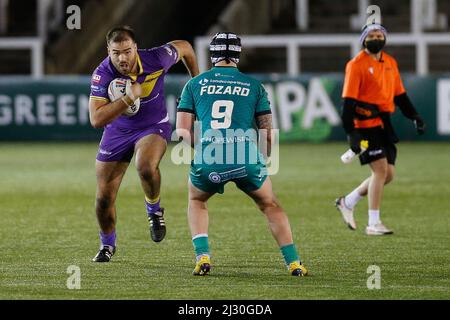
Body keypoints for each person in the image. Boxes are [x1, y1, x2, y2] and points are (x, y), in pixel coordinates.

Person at [176, 32, 308, 276]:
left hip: (209, 159)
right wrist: (263, 158)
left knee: (197, 200)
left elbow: (182, 131)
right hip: (246, 157)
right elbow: (268, 134)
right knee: (270, 205)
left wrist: (207, 148)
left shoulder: (193, 85)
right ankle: (294, 263)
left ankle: (202, 256)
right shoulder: (254, 86)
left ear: (212, 54)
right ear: (238, 54)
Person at [89, 26, 199, 262]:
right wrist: (128, 98)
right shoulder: (102, 74)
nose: (122, 58)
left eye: (127, 51)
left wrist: (196, 86)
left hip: (153, 126)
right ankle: (107, 245)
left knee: (145, 166)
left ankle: (154, 210)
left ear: (135, 48)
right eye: (116, 52)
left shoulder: (157, 58)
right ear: (108, 51)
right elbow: (96, 119)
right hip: (117, 132)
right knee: (103, 199)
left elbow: (186, 48)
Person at [335, 23, 426, 235]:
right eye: (371, 35)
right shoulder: (356, 65)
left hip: (384, 124)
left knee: (389, 174)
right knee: (380, 171)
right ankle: (373, 223)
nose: (376, 38)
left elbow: (399, 95)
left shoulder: (390, 63)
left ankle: (347, 201)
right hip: (365, 125)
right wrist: (352, 133)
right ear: (364, 39)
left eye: (379, 35)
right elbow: (348, 103)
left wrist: (415, 116)